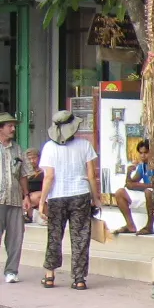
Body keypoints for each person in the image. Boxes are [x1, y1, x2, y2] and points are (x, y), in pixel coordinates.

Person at [38, 110, 100, 291]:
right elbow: (91, 175)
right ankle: (79, 279)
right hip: (80, 194)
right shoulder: (85, 145)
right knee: (80, 237)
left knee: (54, 236)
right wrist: (96, 198)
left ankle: (50, 275)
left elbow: (49, 177)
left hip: (57, 196)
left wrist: (42, 201)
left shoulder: (49, 147)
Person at [112, 139, 154, 235]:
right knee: (120, 192)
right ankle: (130, 226)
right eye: (141, 153)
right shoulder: (142, 166)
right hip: (146, 193)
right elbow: (129, 184)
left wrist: (139, 186)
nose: (143, 156)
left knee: (148, 191)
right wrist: (129, 173)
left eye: (146, 152)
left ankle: (149, 226)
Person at [0, 113, 25, 282]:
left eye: (14, 126)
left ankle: (11, 271)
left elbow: (23, 174)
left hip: (15, 199)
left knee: (16, 237)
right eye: (10, 126)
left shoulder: (17, 149)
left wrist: (26, 195)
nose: (13, 129)